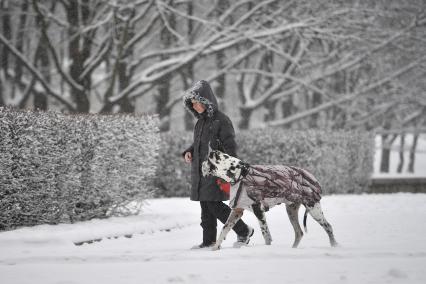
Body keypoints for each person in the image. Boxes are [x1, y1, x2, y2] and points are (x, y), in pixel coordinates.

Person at [182, 80, 254, 249]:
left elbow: (230, 146)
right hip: (202, 172)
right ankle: (209, 241)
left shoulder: (221, 121)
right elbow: (199, 144)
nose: (196, 106)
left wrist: (229, 172)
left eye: (198, 103)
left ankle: (244, 231)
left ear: (206, 101)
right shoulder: (200, 122)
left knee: (215, 205)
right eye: (192, 104)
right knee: (206, 208)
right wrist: (189, 151)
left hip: (217, 171)